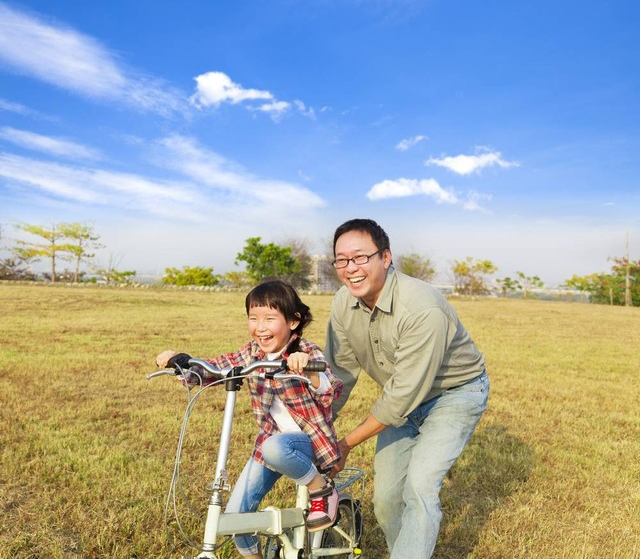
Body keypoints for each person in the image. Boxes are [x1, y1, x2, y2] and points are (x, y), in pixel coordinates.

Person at [324, 218, 490, 559]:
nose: (350, 268)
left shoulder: (421, 307)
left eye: (360, 257)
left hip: (454, 393)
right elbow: (338, 373)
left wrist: (344, 444)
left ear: (385, 257)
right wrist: (317, 423)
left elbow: (400, 398)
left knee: (419, 487)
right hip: (404, 397)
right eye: (341, 260)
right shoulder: (343, 303)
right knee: (386, 500)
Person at [156, 280, 343, 559]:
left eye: (270, 318)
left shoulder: (305, 352)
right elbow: (218, 368)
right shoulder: (252, 354)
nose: (260, 327)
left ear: (293, 321)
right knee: (235, 517)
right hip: (270, 445)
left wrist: (310, 372)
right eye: (253, 318)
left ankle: (322, 490)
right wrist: (182, 362)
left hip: (308, 444)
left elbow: (331, 389)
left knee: (275, 447)